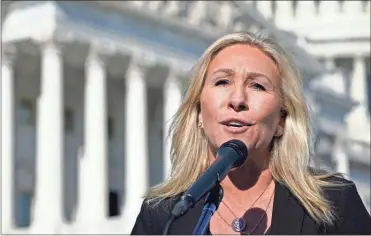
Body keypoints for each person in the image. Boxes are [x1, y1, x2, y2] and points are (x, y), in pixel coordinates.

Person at [131, 31, 371, 235]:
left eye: (257, 85)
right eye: (222, 82)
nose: (237, 100)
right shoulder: (162, 217)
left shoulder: (333, 203)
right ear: (198, 115)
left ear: (281, 120)